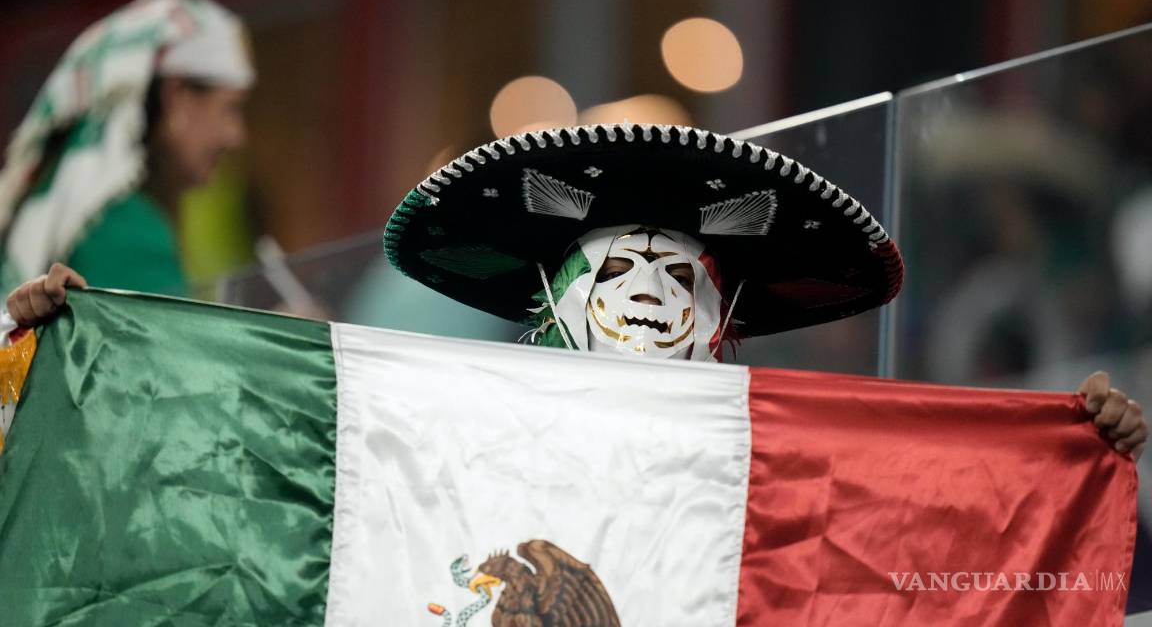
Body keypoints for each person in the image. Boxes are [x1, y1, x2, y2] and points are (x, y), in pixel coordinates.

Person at [7, 124, 1146, 458]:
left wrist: (1060, 458)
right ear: (553, 304)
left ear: (727, 325)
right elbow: (246, 475)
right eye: (617, 270)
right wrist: (84, 370)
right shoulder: (443, 442)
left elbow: (923, 559)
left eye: (679, 276)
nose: (648, 297)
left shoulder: (791, 472)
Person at [0, 0, 254, 298]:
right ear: (177, 98)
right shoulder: (123, 229)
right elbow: (173, 347)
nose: (235, 135)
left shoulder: (89, 216)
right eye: (231, 108)